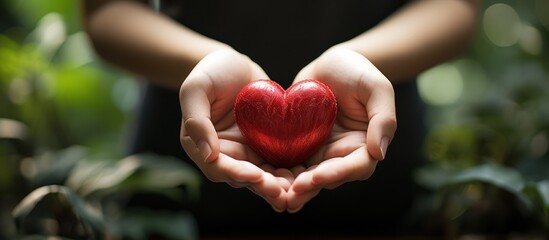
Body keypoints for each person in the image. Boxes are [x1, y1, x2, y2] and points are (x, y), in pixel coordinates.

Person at [82, 0, 480, 237]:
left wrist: (366, 61)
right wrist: (201, 62)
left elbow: (455, 6)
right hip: (187, 167)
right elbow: (107, 11)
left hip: (369, 159)